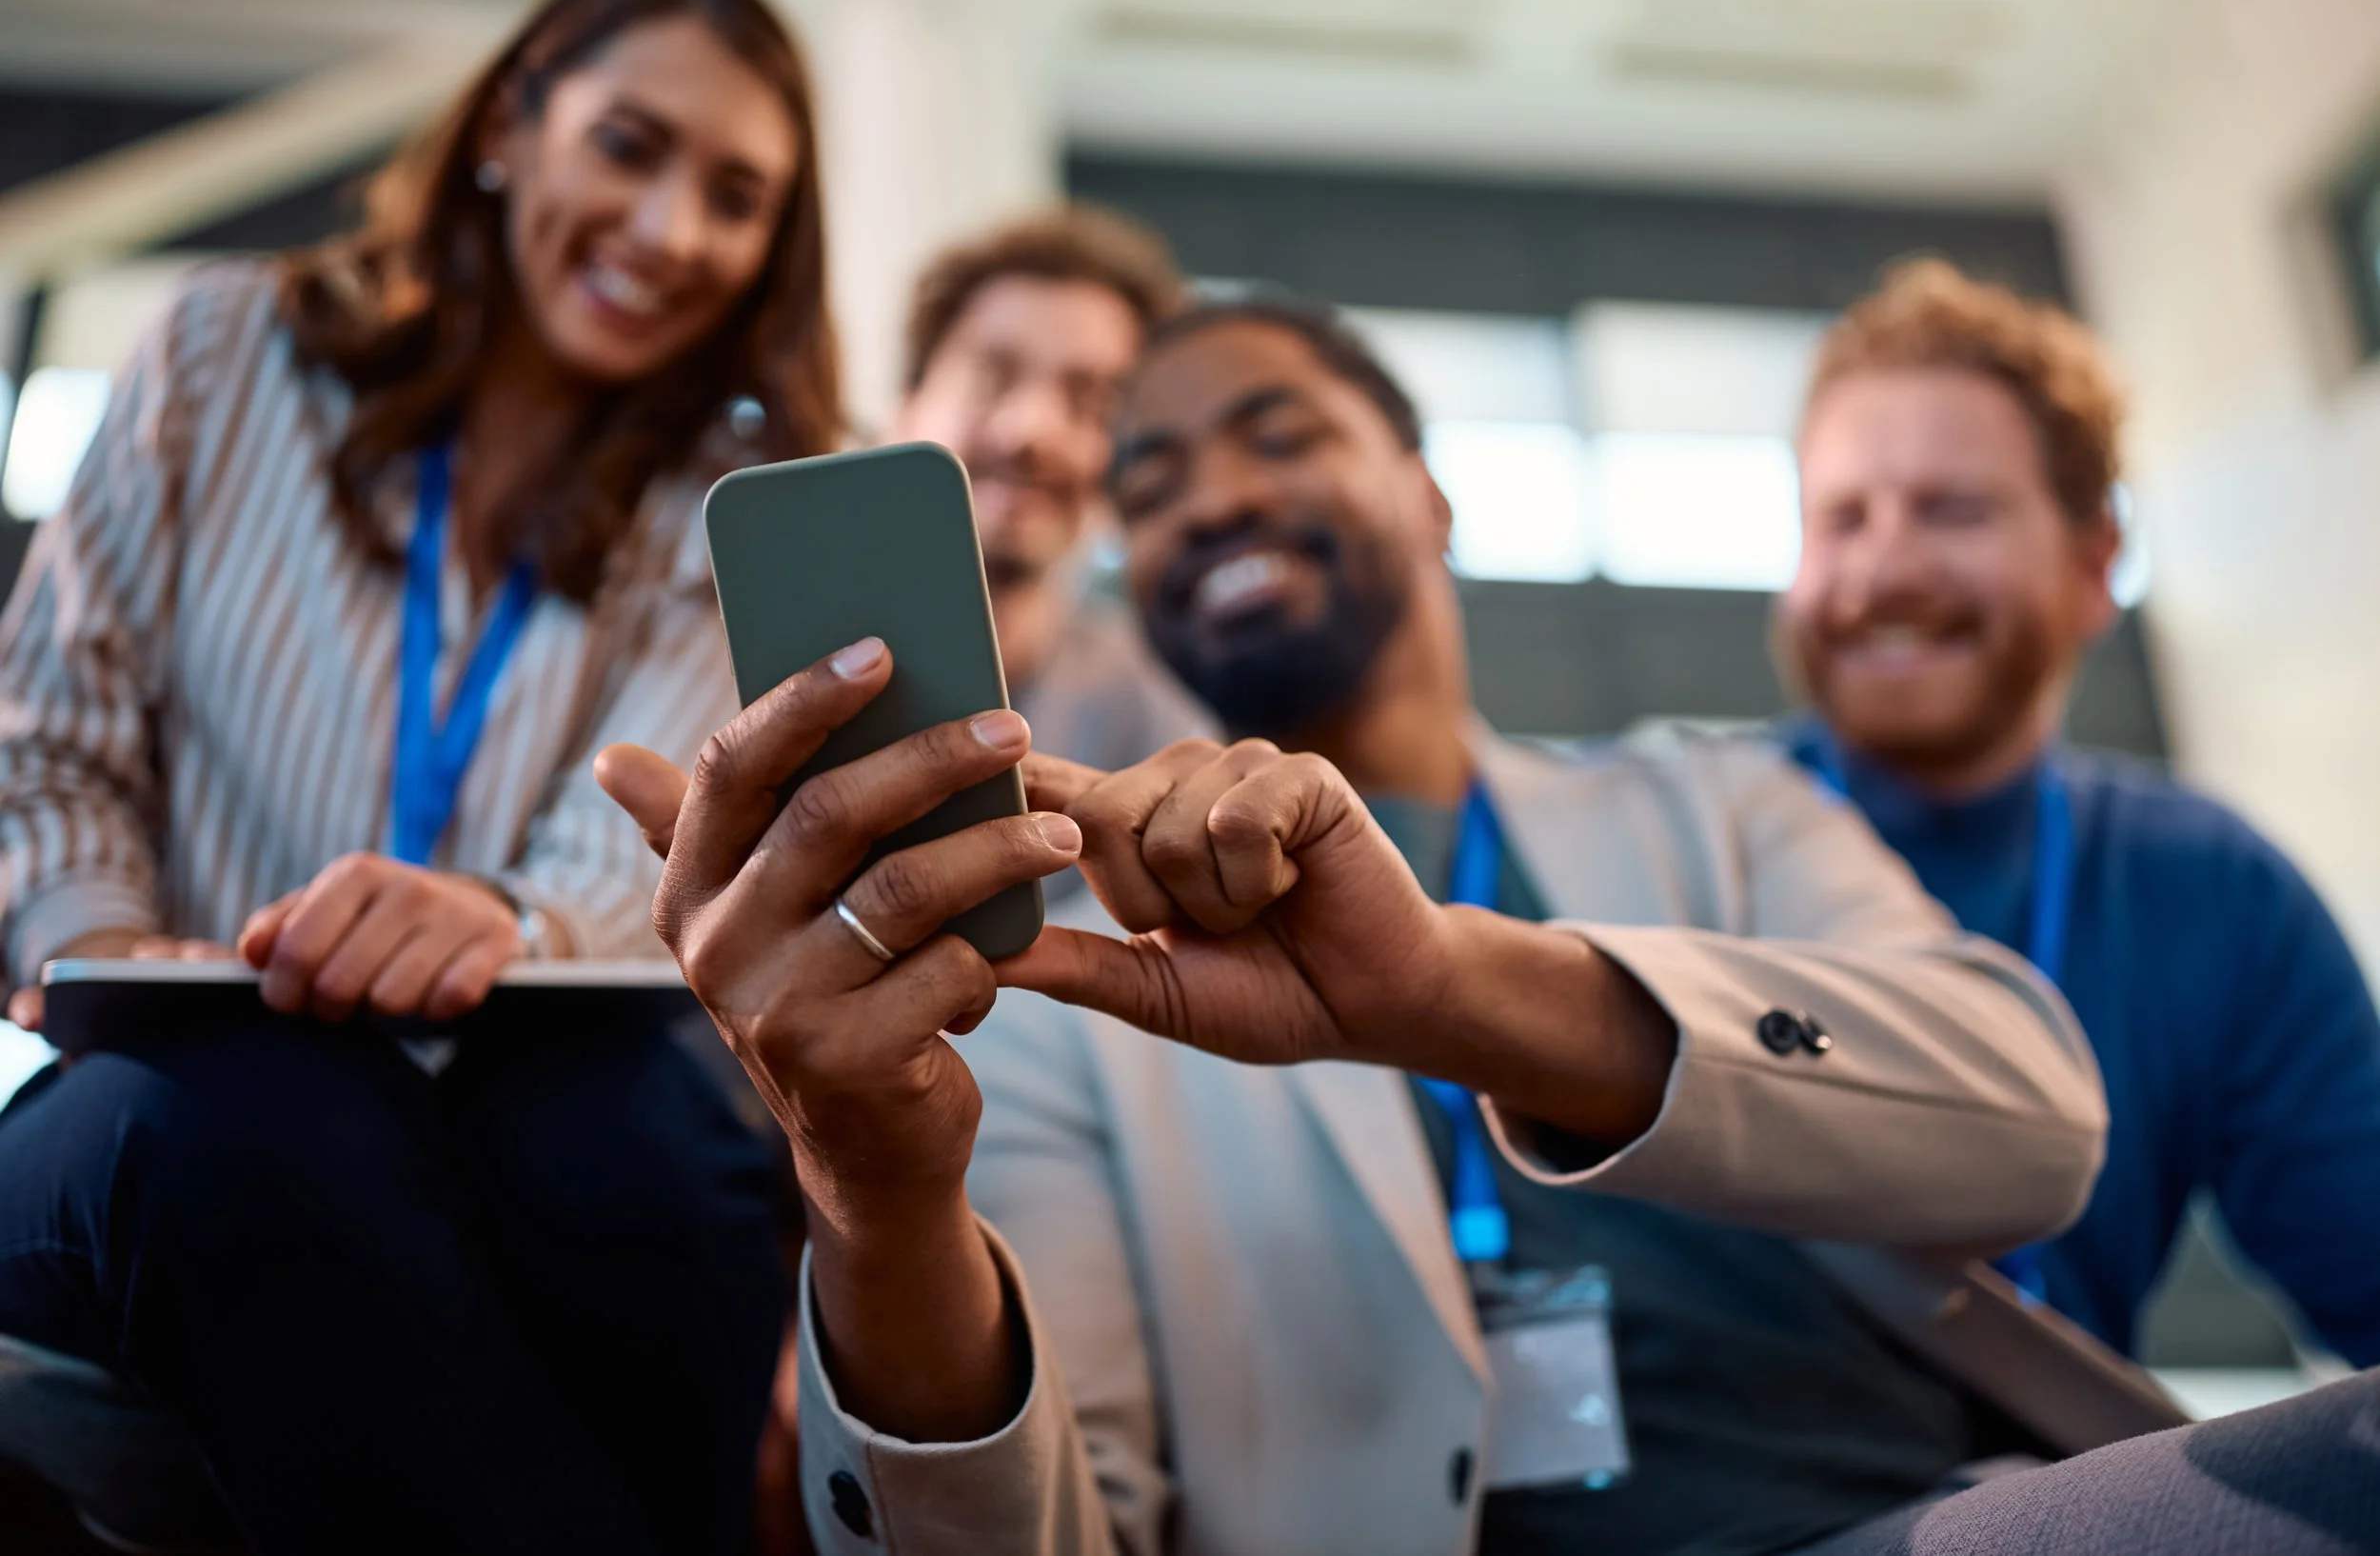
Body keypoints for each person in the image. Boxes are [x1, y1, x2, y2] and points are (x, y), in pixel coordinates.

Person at [592, 303, 2372, 1556]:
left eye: (1276, 430)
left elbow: (2034, 1123)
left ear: (1435, 496)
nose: (1206, 493)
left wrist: (1453, 994)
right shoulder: (1060, 983)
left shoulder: (1719, 804)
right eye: (1154, 482)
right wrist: (878, 1195)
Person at [0, 0, 838, 1551]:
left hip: (512, 1083)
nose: (670, 230)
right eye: (631, 146)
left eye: (735, 198)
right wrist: (116, 956)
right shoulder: (218, 353)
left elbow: (661, 815)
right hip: (170, 1082)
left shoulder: (719, 495)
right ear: (512, 124)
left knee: (646, 1156)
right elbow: (49, 745)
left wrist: (499, 923)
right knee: (249, 1119)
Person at [1775, 260, 2380, 1366]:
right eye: (1841, 517)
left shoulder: (2207, 887)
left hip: (2040, 1494)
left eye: (1952, 509)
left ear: (2095, 561)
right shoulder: (1680, 837)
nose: (1884, 568)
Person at [887, 207, 1210, 771]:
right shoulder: (751, 657)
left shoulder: (1163, 715)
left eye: (1092, 401)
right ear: (906, 409)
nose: (1030, 431)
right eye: (991, 378)